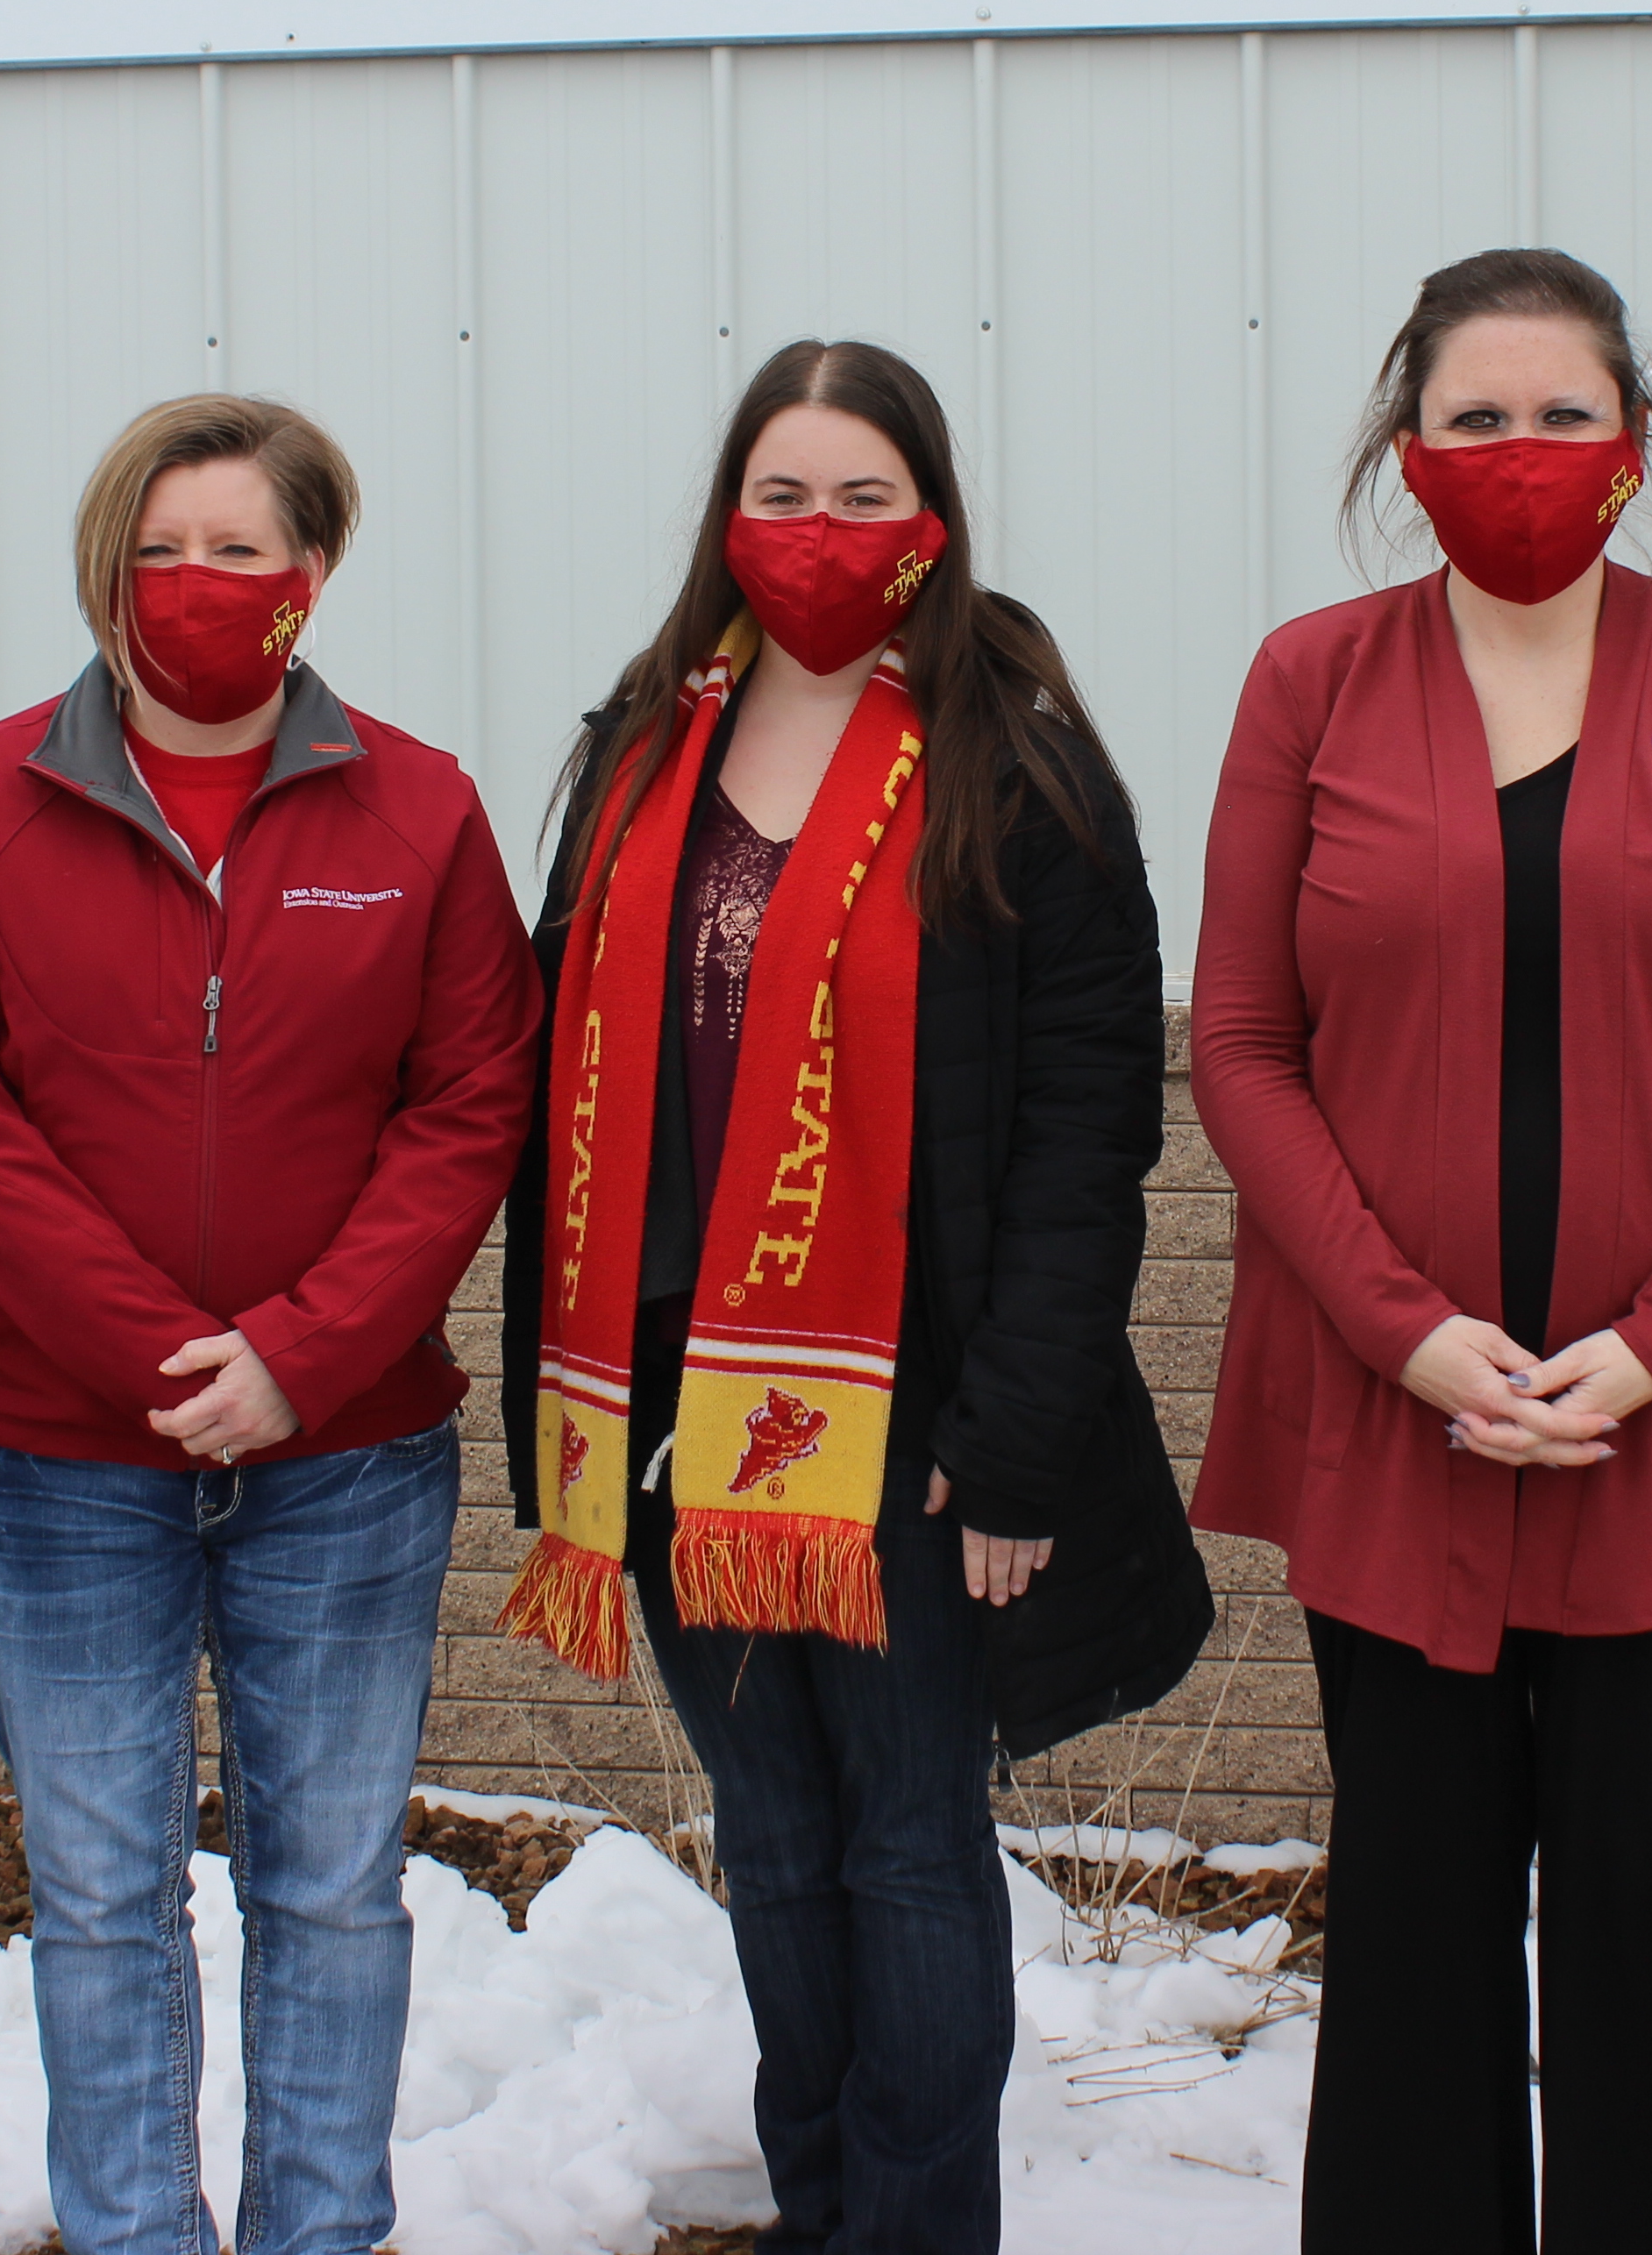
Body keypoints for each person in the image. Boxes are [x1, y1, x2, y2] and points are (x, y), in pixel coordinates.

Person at [498, 338, 1208, 2255]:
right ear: (732, 517)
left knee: (904, 1845)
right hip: (659, 1403)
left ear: (935, 522)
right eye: (786, 494)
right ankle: (821, 2210)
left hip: (903, 1426)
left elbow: (1086, 1143)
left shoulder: (1018, 770)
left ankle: (911, 2229)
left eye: (865, 497)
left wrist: (1018, 1443)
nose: (822, 534)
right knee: (783, 1840)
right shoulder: (643, 748)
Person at [1189, 246, 1652, 2255]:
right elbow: (1240, 1044)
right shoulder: (1313, 682)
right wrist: (1409, 1339)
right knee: (1414, 1921)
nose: (1522, 454)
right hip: (1398, 1420)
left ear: (1635, 446)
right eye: (1476, 418)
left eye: (1564, 415)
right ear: (1409, 453)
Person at [0, 395, 538, 2255]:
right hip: (56, 1459)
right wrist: (155, 1356)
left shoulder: (418, 809)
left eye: (239, 550)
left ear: (309, 578)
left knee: (329, 1891)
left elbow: (471, 1100)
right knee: (99, 1892)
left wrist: (303, 1355)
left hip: (348, 1457)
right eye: (160, 550)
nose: (196, 587)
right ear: (108, 568)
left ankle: (320, 2234)